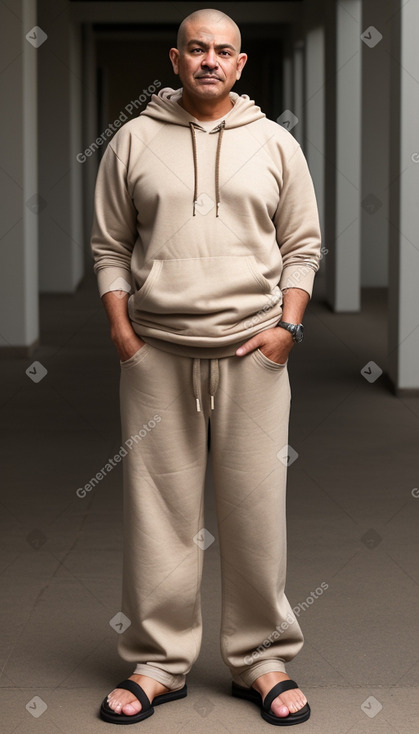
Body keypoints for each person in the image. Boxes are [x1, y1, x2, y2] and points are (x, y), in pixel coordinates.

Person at [91, 7, 321, 727]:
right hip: (157, 354)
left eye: (224, 51)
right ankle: (159, 661)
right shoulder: (131, 139)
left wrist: (287, 328)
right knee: (158, 514)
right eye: (197, 49)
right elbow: (107, 247)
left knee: (255, 509)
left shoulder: (275, 144)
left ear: (241, 64)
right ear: (176, 57)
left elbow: (302, 247)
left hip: (254, 352)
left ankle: (261, 658)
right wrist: (125, 336)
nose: (210, 61)